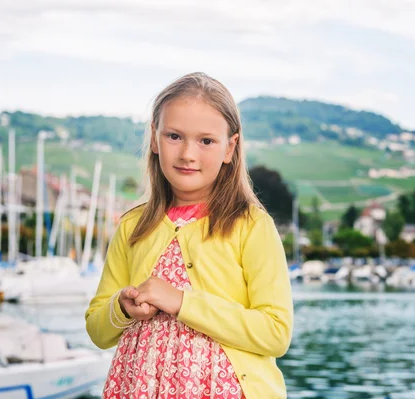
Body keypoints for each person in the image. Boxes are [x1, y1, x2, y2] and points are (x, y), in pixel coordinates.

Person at [85, 72, 293, 398]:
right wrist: (122, 308)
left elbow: (276, 333)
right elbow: (97, 330)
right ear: (154, 138)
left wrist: (182, 301)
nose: (187, 154)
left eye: (206, 141)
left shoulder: (252, 225)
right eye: (174, 136)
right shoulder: (132, 227)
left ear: (230, 147)